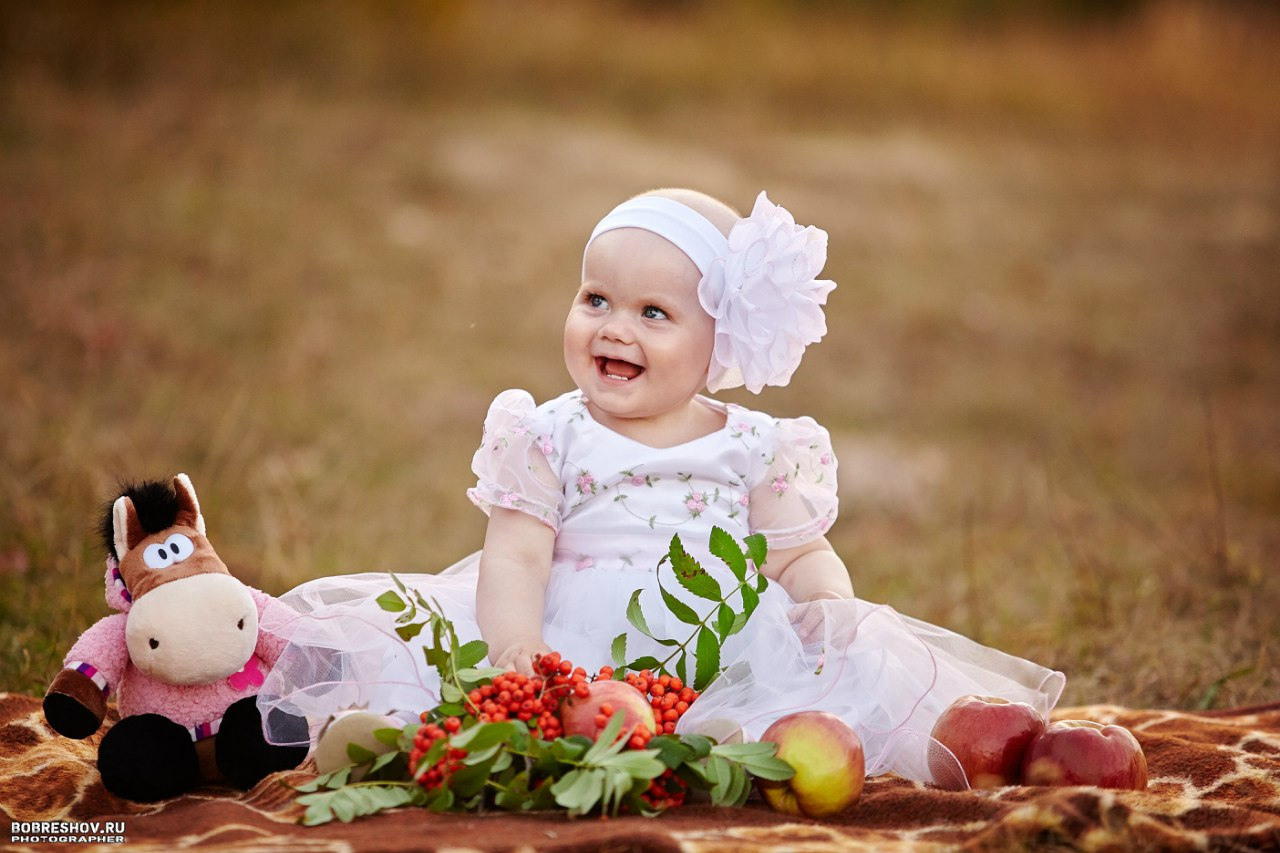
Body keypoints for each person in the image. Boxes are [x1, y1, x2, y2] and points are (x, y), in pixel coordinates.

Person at [258, 188, 1064, 785]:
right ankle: (384, 741)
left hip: (716, 646)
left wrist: (828, 610)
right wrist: (513, 651)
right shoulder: (547, 432)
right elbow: (515, 558)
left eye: (653, 313)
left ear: (717, 345)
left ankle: (781, 754)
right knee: (463, 697)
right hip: (568, 643)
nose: (614, 326)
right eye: (595, 299)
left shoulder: (755, 445)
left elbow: (797, 554)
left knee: (797, 717)